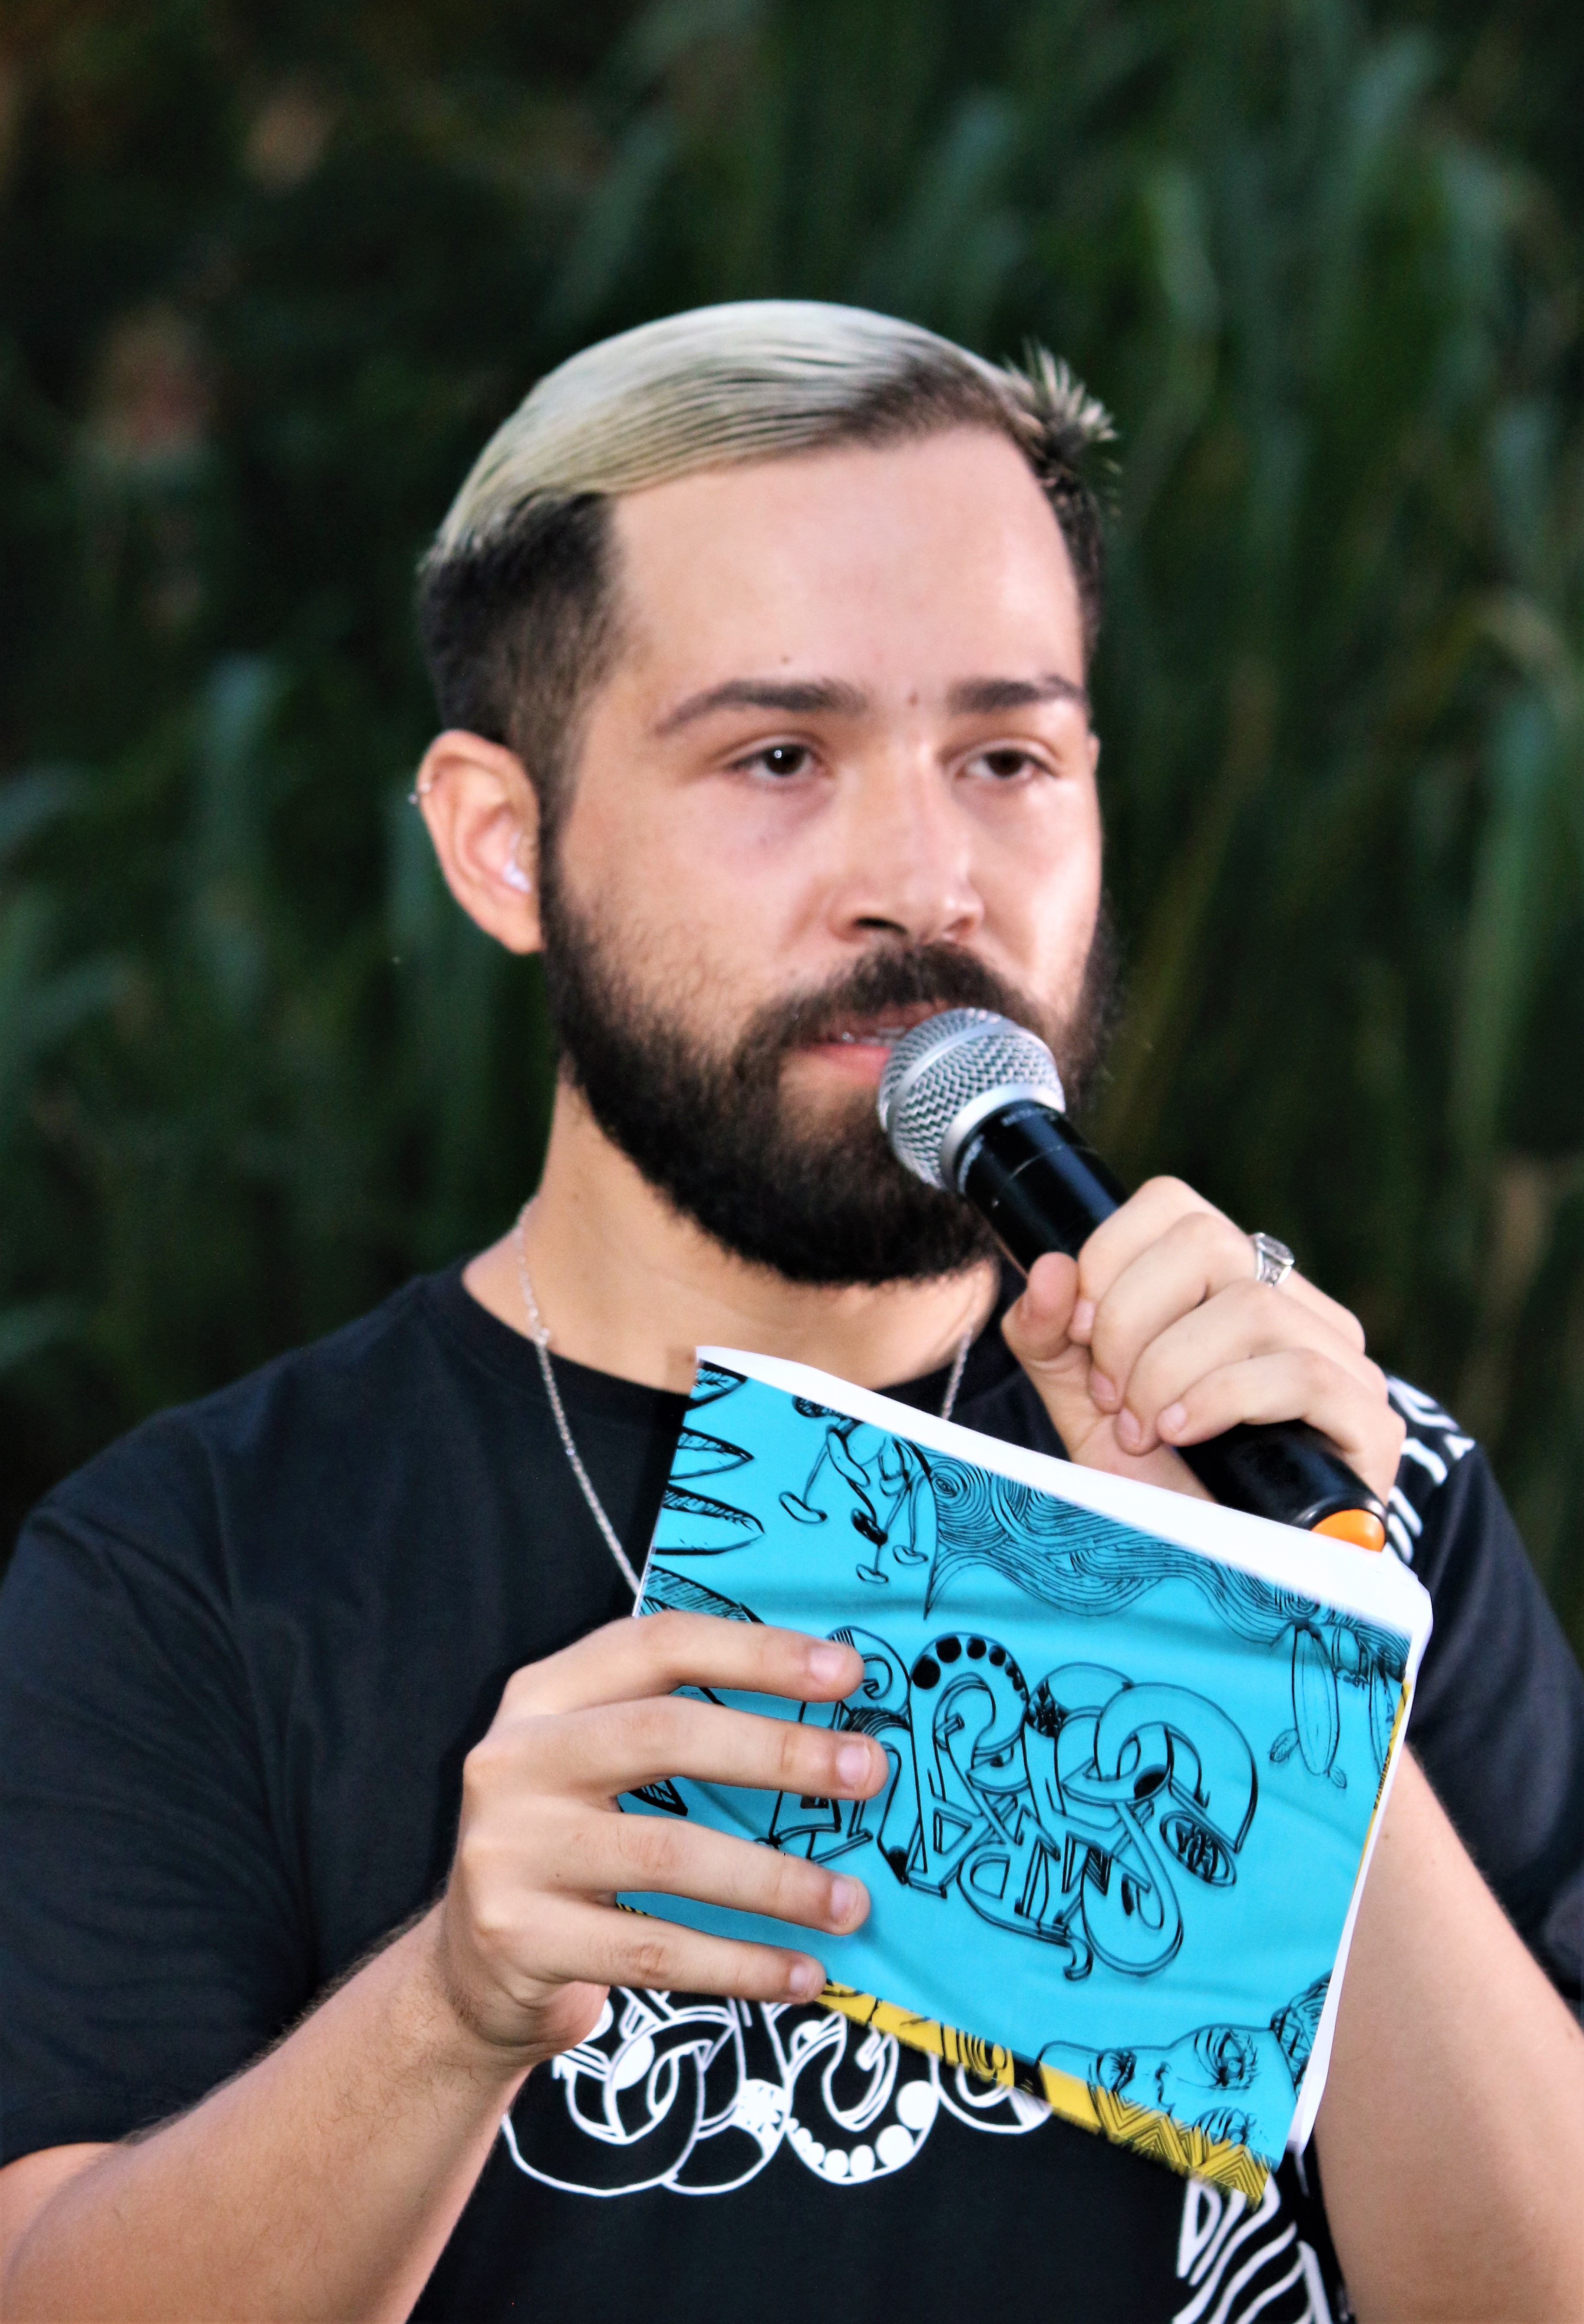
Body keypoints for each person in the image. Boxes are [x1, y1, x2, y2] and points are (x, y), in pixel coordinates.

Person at [1, 301, 1581, 2324]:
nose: (924, 880)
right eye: (778, 757)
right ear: (504, 843)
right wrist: (451, 2008)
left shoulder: (1346, 1476)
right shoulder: (199, 1567)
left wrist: (1293, 1655)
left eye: (1007, 757)